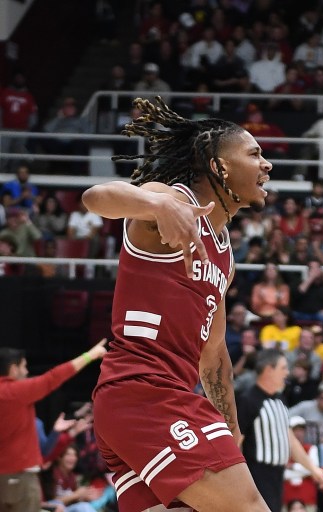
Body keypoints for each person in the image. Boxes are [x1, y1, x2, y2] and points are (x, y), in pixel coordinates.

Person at [83, 97, 276, 512]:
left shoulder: (224, 255)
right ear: (220, 166)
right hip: (145, 394)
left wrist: (230, 429)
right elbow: (96, 197)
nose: (267, 165)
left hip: (137, 404)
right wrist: (156, 202)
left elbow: (213, 353)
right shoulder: (169, 201)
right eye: (255, 154)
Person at [0, 341, 107, 512]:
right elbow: (53, 378)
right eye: (24, 367)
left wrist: (66, 433)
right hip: (20, 478)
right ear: (13, 369)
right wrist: (90, 355)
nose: (27, 372)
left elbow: (46, 452)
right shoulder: (14, 392)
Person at [237, 349, 323, 512]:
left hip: (278, 475)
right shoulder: (248, 400)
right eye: (283, 368)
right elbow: (236, 440)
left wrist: (313, 470)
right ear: (268, 370)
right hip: (257, 475)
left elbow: (290, 440)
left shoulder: (280, 399)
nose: (288, 372)